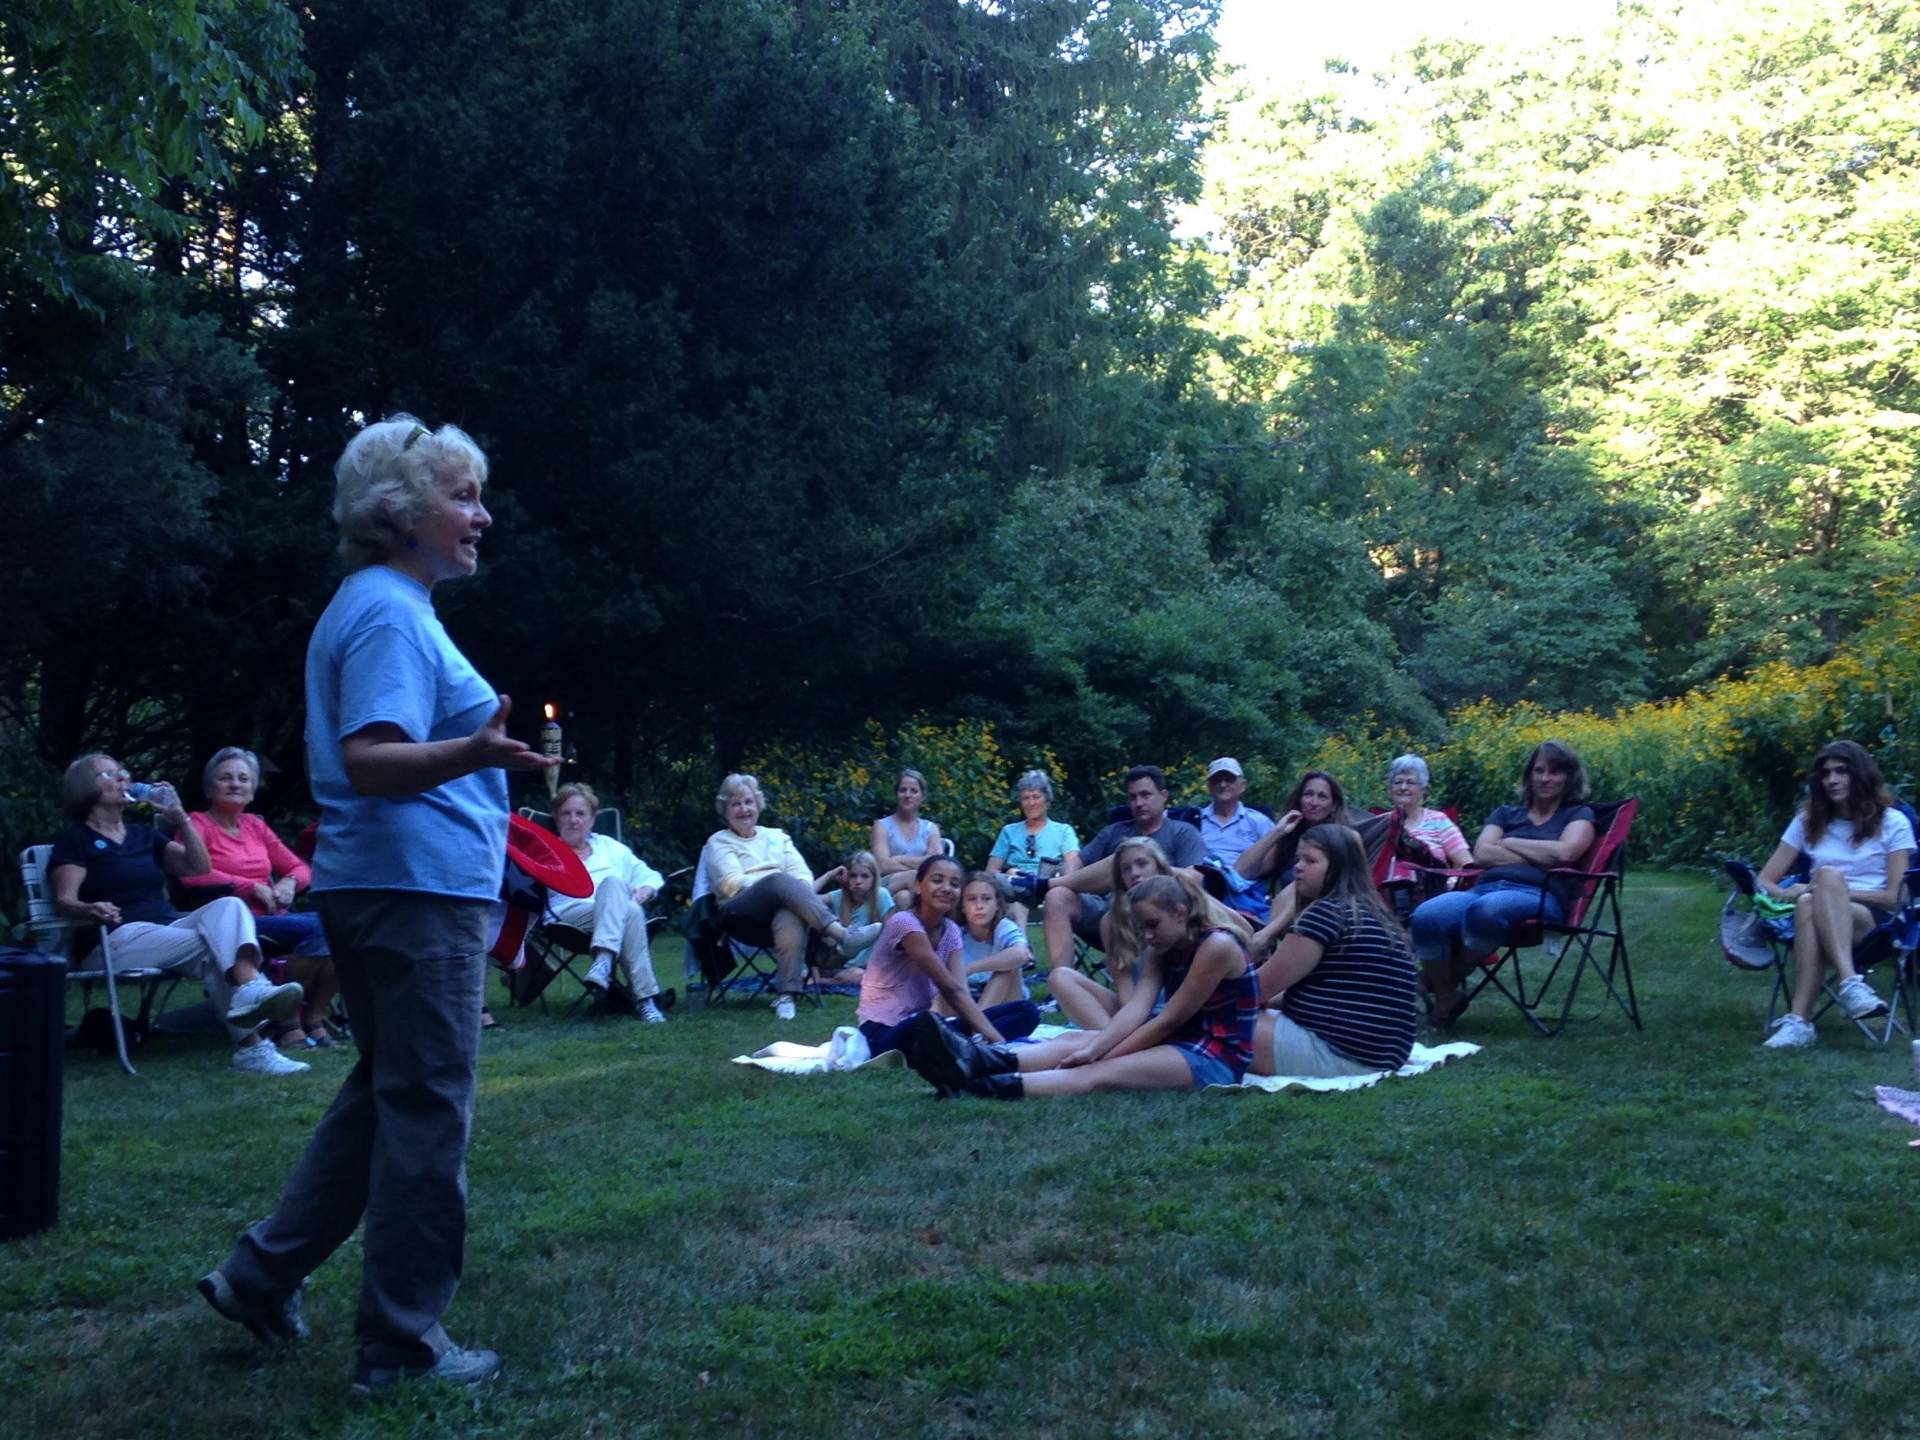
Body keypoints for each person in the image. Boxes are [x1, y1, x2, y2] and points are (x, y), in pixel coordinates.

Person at [198, 414, 560, 1397]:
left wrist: (476, 765)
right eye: (464, 497)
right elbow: (371, 758)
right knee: (430, 1106)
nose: (482, 516)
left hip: (386, 883)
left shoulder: (382, 605)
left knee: (387, 1094)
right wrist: (478, 755)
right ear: (400, 514)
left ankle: (259, 1274)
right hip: (412, 891)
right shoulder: (390, 613)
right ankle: (401, 1343)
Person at [50, 753, 307, 1074]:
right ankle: (252, 1025)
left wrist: (180, 818)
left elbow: (197, 866)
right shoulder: (76, 840)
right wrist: (89, 907)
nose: (122, 779)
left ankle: (249, 1003)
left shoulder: (143, 835)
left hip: (166, 929)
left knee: (229, 906)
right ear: (85, 788)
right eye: (108, 775)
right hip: (114, 938)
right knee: (215, 949)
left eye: (122, 773)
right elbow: (64, 899)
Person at [903, 873, 1258, 1098]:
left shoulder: (1217, 946)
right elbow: (1137, 1008)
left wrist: (1102, 1054)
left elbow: (1170, 1019)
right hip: (1179, 1041)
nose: (1147, 936)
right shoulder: (1160, 946)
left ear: (1181, 912)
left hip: (1214, 1057)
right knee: (1074, 1039)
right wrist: (1096, 1045)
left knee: (1098, 1073)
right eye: (1142, 928)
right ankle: (974, 1059)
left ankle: (974, 1084)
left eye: (1153, 924)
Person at [1409, 740, 1598, 1030]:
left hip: (1540, 895)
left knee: (1487, 910)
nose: (1545, 778)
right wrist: (1540, 851)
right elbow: (1483, 854)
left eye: (1555, 772)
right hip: (1484, 888)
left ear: (1569, 777)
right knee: (1426, 915)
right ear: (1529, 775)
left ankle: (1437, 986)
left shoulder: (1578, 815)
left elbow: (1565, 853)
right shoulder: (1505, 814)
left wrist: (1509, 842)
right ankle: (1447, 995)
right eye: (1539, 770)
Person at [1758, 741, 1915, 1049]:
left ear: (1861, 775)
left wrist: (1831, 889)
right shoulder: (1808, 821)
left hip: (1873, 922)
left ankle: (1802, 1020)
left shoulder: (1893, 822)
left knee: (1826, 879)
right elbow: (1765, 880)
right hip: (1814, 912)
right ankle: (1845, 989)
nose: (1832, 780)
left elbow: (1893, 897)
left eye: (1842, 771)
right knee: (1806, 902)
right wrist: (1787, 891)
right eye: (1826, 773)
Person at [181, 746, 341, 1048]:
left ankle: (313, 1016)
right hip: (229, 925)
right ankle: (287, 1020)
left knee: (342, 926)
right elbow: (192, 873)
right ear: (209, 787)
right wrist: (250, 886)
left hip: (271, 917)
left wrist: (289, 884)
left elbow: (298, 865)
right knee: (318, 929)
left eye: (243, 778)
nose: (235, 784)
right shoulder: (197, 825)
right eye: (225, 778)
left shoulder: (255, 825)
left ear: (253, 790)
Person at [703, 774, 885, 1021]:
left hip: (779, 914)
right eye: (735, 804)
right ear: (724, 810)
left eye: (748, 802)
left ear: (758, 804)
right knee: (778, 880)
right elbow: (731, 883)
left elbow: (803, 876)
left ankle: (786, 996)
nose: (744, 809)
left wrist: (786, 893)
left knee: (789, 913)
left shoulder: (777, 837)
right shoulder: (718, 842)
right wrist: (773, 885)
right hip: (740, 914)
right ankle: (842, 934)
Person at [1250, 824, 1418, 1078]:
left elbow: (1255, 990)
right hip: (1381, 1056)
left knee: (1213, 1020)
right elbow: (1337, 991)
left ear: (1338, 867)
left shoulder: (1326, 914)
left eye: (1310, 860)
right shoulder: (1376, 915)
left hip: (1338, 1055)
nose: (1298, 867)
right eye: (1298, 859)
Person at [1044, 837, 1252, 1031]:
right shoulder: (1111, 921)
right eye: (1126, 869)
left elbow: (1246, 930)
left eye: (1142, 864)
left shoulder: (1184, 906)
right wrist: (1128, 1025)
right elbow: (1124, 987)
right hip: (1137, 1007)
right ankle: (1111, 1045)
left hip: (1187, 1009)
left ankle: (1109, 1048)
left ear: (1160, 866)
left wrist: (1188, 888)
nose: (1134, 873)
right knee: (1060, 977)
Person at [1016, 765, 1206, 972]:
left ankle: (1041, 885)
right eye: (1133, 797)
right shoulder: (1114, 831)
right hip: (1108, 912)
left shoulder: (1182, 832)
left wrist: (1151, 867)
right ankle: (1062, 978)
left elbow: (1194, 878)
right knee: (1057, 896)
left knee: (1122, 859)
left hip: (1158, 912)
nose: (1139, 802)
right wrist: (1070, 879)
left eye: (1145, 795)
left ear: (1163, 796)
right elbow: (1078, 860)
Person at [855, 855, 1039, 1058]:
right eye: (937, 880)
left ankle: (969, 1042)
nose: (946, 888)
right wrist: (999, 1041)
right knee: (928, 1023)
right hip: (882, 1030)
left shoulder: (951, 931)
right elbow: (951, 990)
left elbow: (961, 991)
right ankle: (969, 1043)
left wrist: (981, 1029)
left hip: (927, 1022)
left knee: (1027, 1011)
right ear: (918, 886)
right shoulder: (905, 923)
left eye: (954, 884)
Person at [548, 783, 668, 1023]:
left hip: (613, 917)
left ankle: (604, 963)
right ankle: (644, 1000)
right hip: (568, 915)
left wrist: (643, 892)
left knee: (627, 902)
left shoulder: (609, 847)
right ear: (556, 819)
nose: (573, 820)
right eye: (566, 813)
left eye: (580, 813)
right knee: (619, 893)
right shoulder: (548, 849)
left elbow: (651, 877)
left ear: (592, 820)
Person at [1376, 753, 1473, 923]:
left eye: (1410, 782)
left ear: (1423, 789)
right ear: (1390, 789)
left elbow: (1466, 863)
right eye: (1397, 782)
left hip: (1430, 899)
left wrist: (1450, 884)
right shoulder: (1379, 823)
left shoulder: (1438, 821)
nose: (1403, 787)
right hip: (1381, 901)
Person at [985, 770, 1082, 925]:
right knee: (1011, 893)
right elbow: (990, 871)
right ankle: (1021, 946)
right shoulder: (1009, 831)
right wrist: (1008, 872)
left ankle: (1020, 947)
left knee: (1022, 896)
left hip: (1047, 888)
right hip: (1013, 887)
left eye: (1036, 797)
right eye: (1026, 798)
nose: (1031, 803)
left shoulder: (1063, 831)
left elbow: (1074, 867)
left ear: (1047, 800)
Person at [937, 871, 1033, 1012]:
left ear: (997, 905)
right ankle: (957, 1025)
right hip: (966, 999)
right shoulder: (955, 932)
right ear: (962, 906)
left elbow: (1022, 954)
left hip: (1004, 1001)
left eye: (986, 899)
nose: (979, 906)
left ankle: (979, 1028)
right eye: (971, 899)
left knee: (1008, 968)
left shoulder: (1004, 927)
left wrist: (971, 968)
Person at [1196, 756, 1276, 920]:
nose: (1223, 784)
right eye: (1217, 780)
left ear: (1242, 785)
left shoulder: (1259, 822)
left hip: (1246, 888)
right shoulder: (1195, 820)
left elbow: (1273, 859)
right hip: (1204, 888)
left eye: (1229, 779)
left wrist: (1238, 876)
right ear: (1209, 787)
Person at [816, 850, 895, 981]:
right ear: (846, 877)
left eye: (865, 876)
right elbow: (805, 899)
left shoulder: (882, 895)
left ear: (874, 878)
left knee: (859, 976)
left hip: (870, 964)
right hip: (840, 960)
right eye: (853, 876)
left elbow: (891, 937)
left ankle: (826, 981)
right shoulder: (838, 896)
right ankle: (830, 979)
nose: (858, 881)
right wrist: (829, 875)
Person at [871, 769, 945, 907]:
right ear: (896, 794)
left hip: (917, 887)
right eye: (903, 790)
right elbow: (882, 865)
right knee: (913, 876)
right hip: (885, 886)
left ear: (922, 796)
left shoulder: (930, 829)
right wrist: (919, 867)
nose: (907, 795)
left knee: (903, 897)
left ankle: (908, 928)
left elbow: (936, 864)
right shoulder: (882, 826)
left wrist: (898, 859)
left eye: (913, 791)